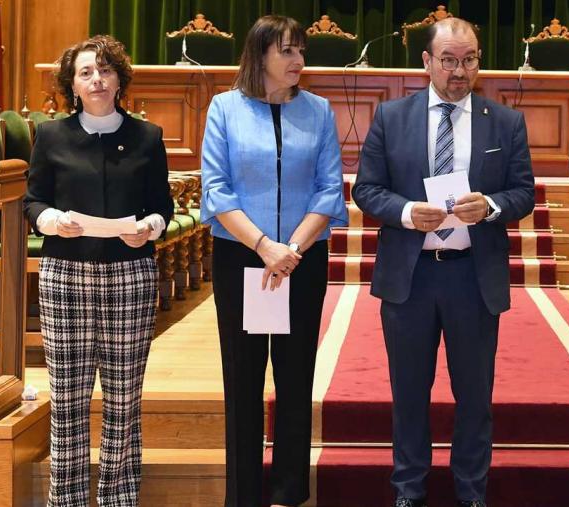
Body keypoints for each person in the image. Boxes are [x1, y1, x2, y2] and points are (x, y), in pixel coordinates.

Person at [352, 17, 535, 507]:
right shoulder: (391, 118)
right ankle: (409, 490)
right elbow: (366, 190)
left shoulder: (507, 121)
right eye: (449, 60)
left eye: (469, 59)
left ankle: (471, 491)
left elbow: (522, 192)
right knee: (409, 394)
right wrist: (409, 213)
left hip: (473, 278)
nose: (460, 71)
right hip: (410, 277)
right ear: (426, 62)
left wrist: (491, 207)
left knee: (474, 397)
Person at [200, 15, 348, 507]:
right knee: (242, 377)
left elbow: (330, 189)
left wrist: (293, 250)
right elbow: (216, 191)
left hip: (301, 261)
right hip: (243, 257)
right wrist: (265, 247)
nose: (298, 61)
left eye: (301, 51)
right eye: (287, 51)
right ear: (259, 53)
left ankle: (289, 489)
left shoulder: (320, 111)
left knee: (295, 372)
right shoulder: (224, 108)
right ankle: (242, 494)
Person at [24, 35, 173, 506]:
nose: (97, 80)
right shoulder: (51, 135)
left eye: (105, 70)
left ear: (120, 78)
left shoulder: (147, 136)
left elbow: (162, 207)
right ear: (71, 83)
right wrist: (49, 220)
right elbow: (33, 200)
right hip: (65, 274)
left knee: (124, 397)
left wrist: (149, 227)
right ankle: (65, 499)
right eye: (86, 72)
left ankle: (118, 498)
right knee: (66, 399)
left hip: (129, 274)